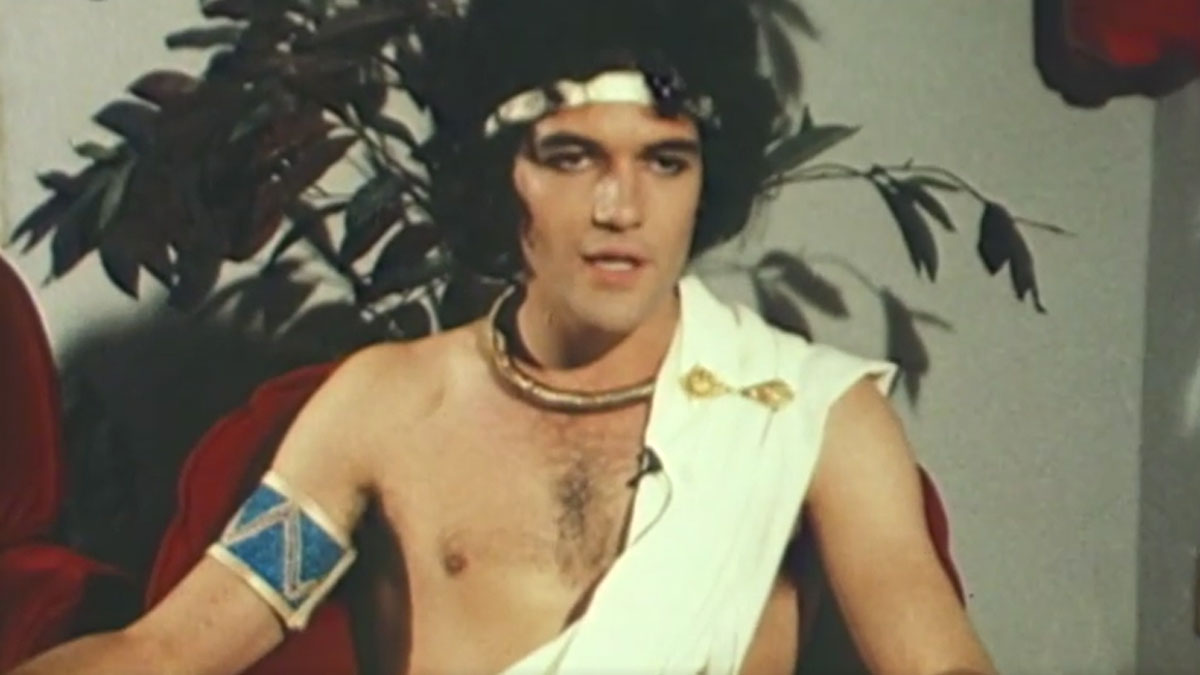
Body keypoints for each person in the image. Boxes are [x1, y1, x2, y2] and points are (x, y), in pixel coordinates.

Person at [9, 0, 997, 673]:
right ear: (498, 175)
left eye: (664, 162)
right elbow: (169, 651)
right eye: (572, 157)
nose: (621, 208)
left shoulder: (811, 415)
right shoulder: (386, 406)